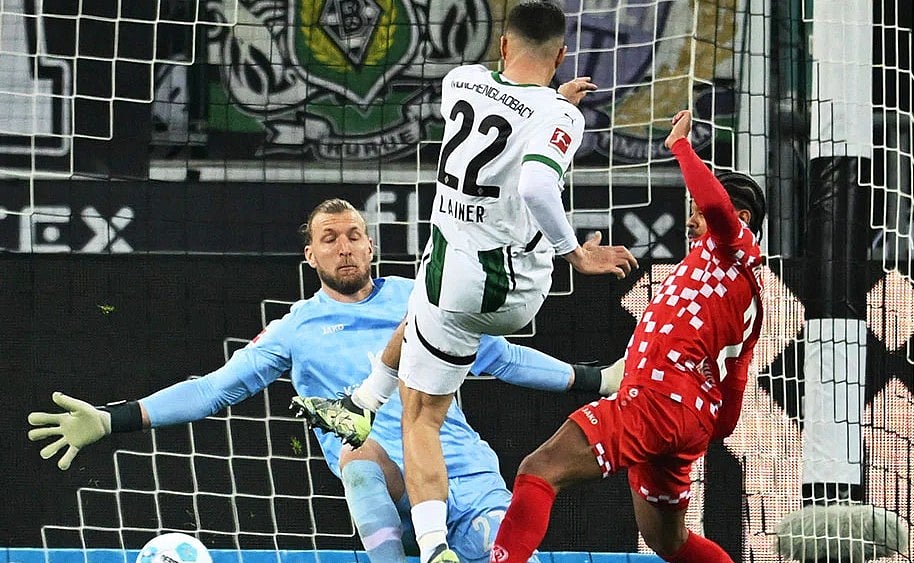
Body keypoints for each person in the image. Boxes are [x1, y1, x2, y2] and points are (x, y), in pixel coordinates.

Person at [26, 198, 624, 563]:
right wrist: (112, 417)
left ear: (371, 244)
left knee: (500, 546)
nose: (344, 247)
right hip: (385, 479)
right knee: (357, 454)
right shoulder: (296, 330)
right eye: (329, 239)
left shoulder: (421, 298)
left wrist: (600, 379)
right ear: (310, 257)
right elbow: (212, 389)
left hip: (462, 471)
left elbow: (503, 358)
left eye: (354, 235)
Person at [301, 4, 639, 563]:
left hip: (467, 280)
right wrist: (574, 249)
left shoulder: (463, 80)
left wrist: (571, 246)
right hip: (510, 286)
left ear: (503, 46)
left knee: (420, 414)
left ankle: (433, 547)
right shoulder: (559, 113)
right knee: (423, 307)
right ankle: (362, 400)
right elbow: (534, 173)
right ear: (559, 57)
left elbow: (521, 164)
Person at [488, 109, 767, 563]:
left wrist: (680, 146)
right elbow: (732, 397)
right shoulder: (744, 295)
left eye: (698, 211)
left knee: (539, 470)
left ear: (742, 217)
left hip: (656, 400)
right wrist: (690, 432)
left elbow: (716, 207)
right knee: (668, 542)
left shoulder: (733, 249)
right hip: (686, 420)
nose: (694, 218)